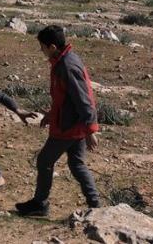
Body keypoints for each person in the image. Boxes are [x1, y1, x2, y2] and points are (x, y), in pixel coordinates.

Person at [16, 25, 102, 216]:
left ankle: (40, 204)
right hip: (72, 123)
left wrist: (91, 130)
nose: (41, 50)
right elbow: (64, 97)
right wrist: (51, 114)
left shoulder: (67, 66)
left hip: (68, 127)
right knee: (77, 164)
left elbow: (84, 99)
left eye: (42, 47)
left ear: (52, 47)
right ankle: (96, 206)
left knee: (44, 161)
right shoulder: (63, 60)